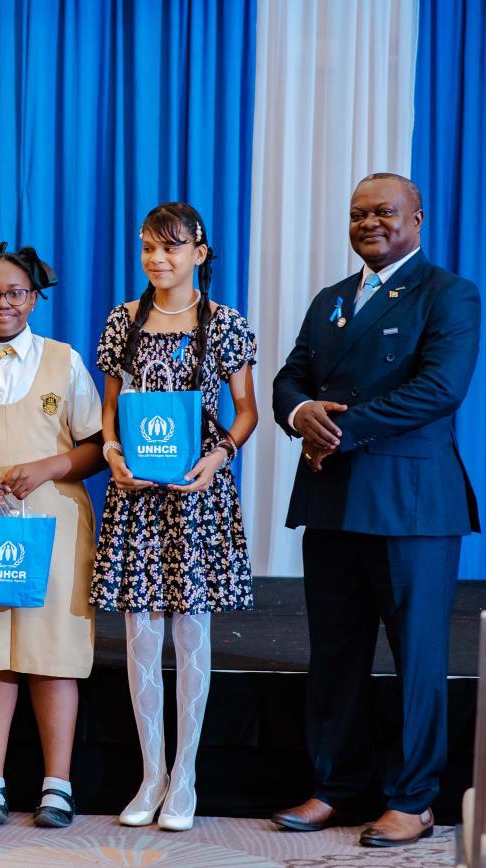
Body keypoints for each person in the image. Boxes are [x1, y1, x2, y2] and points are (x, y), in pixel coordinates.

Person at [271, 173, 480, 847]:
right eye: (359, 214)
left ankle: (414, 799)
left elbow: (440, 390)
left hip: (411, 507)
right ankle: (336, 787)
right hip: (332, 501)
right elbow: (290, 376)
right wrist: (301, 411)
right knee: (335, 656)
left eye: (385, 212)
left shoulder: (450, 294)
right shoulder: (332, 300)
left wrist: (341, 427)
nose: (370, 223)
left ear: (417, 217)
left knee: (417, 658)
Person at [92, 203, 258, 831]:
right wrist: (110, 450)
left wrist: (219, 457)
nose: (158, 259)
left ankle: (185, 775)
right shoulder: (122, 321)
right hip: (136, 494)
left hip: (197, 497)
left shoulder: (224, 323)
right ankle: (150, 773)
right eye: (147, 248)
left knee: (191, 635)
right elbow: (110, 408)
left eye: (171, 247)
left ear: (200, 252)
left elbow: (245, 409)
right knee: (140, 636)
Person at [0, 243, 105, 828]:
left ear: (35, 298)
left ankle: (57, 784)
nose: (3, 303)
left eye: (15, 293)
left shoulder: (64, 360)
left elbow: (95, 447)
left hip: (52, 520)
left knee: (50, 650)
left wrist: (49, 467)